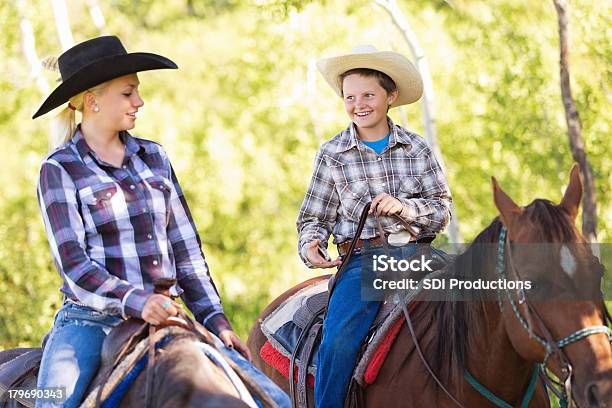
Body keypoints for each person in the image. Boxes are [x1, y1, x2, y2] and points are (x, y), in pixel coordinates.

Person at [32, 35, 250, 407]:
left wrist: (216, 320)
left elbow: (186, 251)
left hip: (167, 316)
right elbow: (73, 265)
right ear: (92, 101)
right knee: (53, 402)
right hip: (91, 322)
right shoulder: (59, 169)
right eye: (128, 93)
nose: (140, 101)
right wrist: (137, 301)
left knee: (266, 394)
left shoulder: (154, 157)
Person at [296, 45, 452, 407]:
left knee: (487, 305)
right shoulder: (332, 154)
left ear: (390, 96)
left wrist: (405, 208)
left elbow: (442, 210)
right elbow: (314, 218)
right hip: (365, 262)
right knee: (339, 339)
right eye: (350, 97)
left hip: (419, 256)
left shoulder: (416, 149)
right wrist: (311, 244)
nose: (358, 104)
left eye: (368, 94)